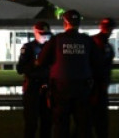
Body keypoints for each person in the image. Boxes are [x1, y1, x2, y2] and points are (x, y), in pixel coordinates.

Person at [37, 10, 99, 138]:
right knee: (83, 126)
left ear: (65, 23)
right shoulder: (87, 41)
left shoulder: (57, 40)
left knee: (60, 126)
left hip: (60, 89)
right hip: (82, 89)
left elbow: (41, 61)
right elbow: (98, 62)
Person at [17, 20, 53, 138]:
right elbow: (20, 68)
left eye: (47, 34)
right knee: (31, 122)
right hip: (33, 88)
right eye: (42, 34)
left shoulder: (51, 48)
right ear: (35, 32)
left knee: (47, 122)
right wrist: (35, 63)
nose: (45, 37)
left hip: (48, 87)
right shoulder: (28, 48)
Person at [89, 18, 116, 138]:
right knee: (97, 119)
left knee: (95, 119)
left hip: (98, 86)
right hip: (96, 87)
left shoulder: (102, 42)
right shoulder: (98, 42)